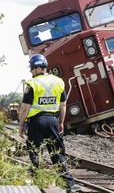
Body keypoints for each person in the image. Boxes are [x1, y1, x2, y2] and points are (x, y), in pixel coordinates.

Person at [18, 54, 80, 192]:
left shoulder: (32, 84)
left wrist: (21, 125)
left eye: (32, 69)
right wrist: (61, 123)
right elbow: (63, 105)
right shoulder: (59, 82)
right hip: (52, 120)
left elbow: (24, 108)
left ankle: (36, 182)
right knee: (57, 152)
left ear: (39, 68)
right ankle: (69, 184)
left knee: (35, 152)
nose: (31, 71)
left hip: (36, 122)